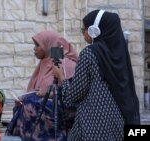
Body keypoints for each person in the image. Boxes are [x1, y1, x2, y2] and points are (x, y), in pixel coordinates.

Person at [52, 9, 140, 141]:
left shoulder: (89, 53)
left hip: (93, 125)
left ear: (95, 30)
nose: (83, 33)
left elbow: (72, 96)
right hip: (119, 124)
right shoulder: (120, 55)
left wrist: (61, 77)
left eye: (84, 29)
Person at [6, 31, 78, 141]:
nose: (34, 49)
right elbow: (37, 90)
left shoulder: (67, 64)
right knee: (23, 103)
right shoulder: (44, 64)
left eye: (37, 45)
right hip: (50, 101)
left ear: (49, 45)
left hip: (65, 107)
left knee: (31, 105)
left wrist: (48, 93)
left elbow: (73, 94)